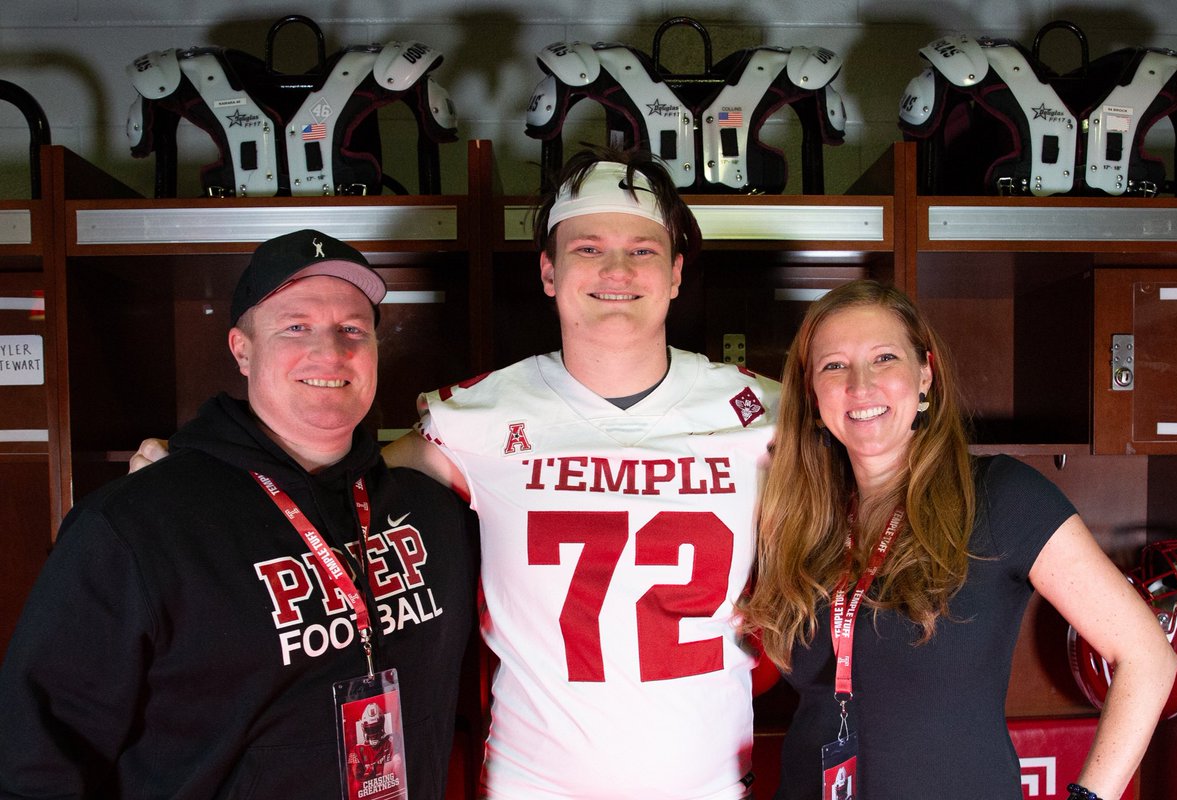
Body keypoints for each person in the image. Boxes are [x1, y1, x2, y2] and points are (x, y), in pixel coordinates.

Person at [129, 149, 781, 799]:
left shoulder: (767, 413)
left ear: (675, 272)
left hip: (708, 783)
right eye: (588, 248)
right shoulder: (478, 416)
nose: (616, 269)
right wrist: (197, 475)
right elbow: (326, 483)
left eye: (642, 250)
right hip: (532, 786)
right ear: (550, 272)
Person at [0, 230, 478, 800]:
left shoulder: (431, 511)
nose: (330, 351)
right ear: (241, 348)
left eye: (353, 328)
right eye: (295, 327)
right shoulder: (137, 525)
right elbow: (37, 763)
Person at [739, 279, 1177, 800]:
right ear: (812, 393)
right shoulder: (798, 515)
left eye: (884, 358)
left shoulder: (998, 496)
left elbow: (1149, 657)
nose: (860, 385)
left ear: (925, 374)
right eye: (833, 365)